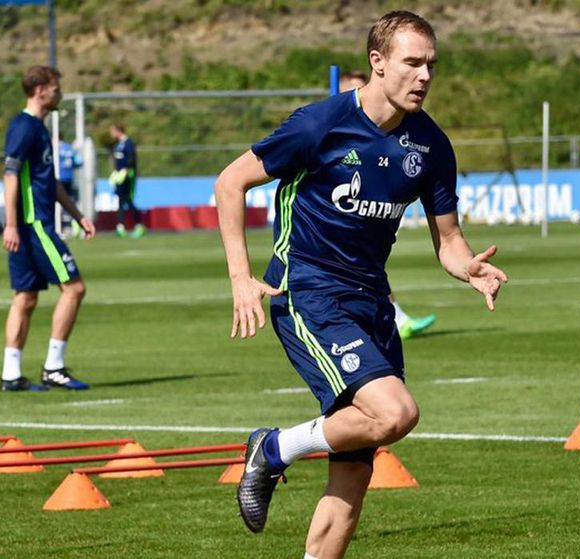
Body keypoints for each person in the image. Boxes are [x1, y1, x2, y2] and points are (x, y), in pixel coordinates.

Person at [215, 11, 508, 558]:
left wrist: (468, 267)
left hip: (371, 301)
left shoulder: (431, 146)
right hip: (306, 293)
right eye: (412, 63)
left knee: (355, 468)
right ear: (377, 63)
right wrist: (240, 278)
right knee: (395, 414)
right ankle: (274, 448)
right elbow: (231, 182)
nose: (424, 76)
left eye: (431, 65)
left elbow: (448, 240)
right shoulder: (318, 126)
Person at [0, 65, 96, 392]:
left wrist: (77, 213)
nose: (60, 93)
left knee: (25, 297)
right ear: (40, 89)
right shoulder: (25, 128)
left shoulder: (37, 128)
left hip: (29, 224)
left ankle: (11, 375)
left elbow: (48, 181)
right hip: (34, 225)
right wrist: (11, 224)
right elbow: (11, 174)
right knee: (75, 288)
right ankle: (54, 367)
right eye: (56, 88)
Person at [339, 70, 438, 340]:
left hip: (366, 247)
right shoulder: (326, 129)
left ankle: (399, 318)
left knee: (371, 270)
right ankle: (399, 318)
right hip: (318, 276)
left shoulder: (419, 138)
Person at [109, 123, 145, 239]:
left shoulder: (128, 143)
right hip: (119, 176)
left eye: (113, 131)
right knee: (119, 200)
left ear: (118, 130)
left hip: (127, 176)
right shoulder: (117, 144)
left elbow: (131, 159)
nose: (111, 133)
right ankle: (120, 227)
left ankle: (139, 225)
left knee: (128, 201)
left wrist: (127, 171)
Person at [57, 139, 83, 236]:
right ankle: (73, 225)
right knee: (70, 201)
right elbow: (79, 161)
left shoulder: (56, 148)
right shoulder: (69, 148)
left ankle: (61, 226)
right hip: (69, 178)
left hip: (59, 178)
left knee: (58, 203)